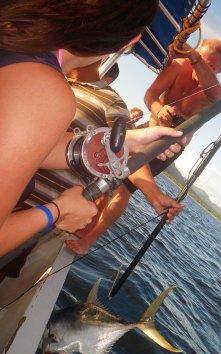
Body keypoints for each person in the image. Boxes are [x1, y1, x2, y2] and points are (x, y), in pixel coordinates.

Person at [0, 0, 184, 257]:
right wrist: (57, 211)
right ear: (129, 42)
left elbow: (16, 142)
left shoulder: (13, 34)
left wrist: (120, 142)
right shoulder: (46, 89)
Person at [62, 60, 183, 255]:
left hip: (166, 142)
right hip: (145, 131)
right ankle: (82, 225)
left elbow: (126, 159)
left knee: (122, 190)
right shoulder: (177, 64)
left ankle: (87, 240)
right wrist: (160, 109)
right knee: (108, 179)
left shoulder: (214, 89)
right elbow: (151, 95)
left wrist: (155, 196)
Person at [144, 38, 221, 129]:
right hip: (151, 129)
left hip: (175, 142)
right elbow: (150, 94)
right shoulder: (179, 66)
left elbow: (216, 96)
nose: (200, 70)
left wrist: (195, 57)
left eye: (210, 67)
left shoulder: (220, 91)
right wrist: (159, 111)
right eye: (200, 62)